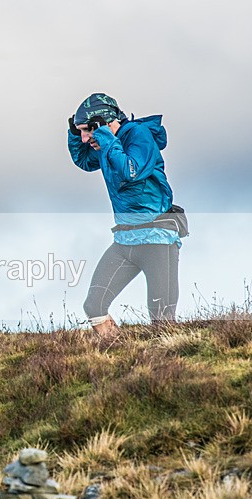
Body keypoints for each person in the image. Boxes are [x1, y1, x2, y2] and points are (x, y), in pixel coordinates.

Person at [67, 93, 184, 336]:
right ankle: (119, 357)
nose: (85, 138)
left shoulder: (138, 135)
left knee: (162, 323)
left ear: (106, 123)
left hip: (157, 238)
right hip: (124, 241)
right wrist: (74, 134)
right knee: (94, 307)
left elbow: (131, 170)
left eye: (87, 130)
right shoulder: (105, 144)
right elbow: (85, 162)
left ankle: (167, 370)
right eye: (80, 131)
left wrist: (105, 138)